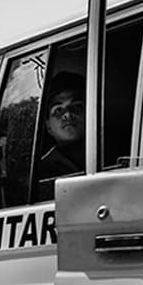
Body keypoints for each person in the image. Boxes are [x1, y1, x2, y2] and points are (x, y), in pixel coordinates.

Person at [34, 71, 86, 200]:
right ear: (48, 127)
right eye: (58, 110)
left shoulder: (118, 155)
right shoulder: (41, 174)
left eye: (76, 106)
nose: (67, 114)